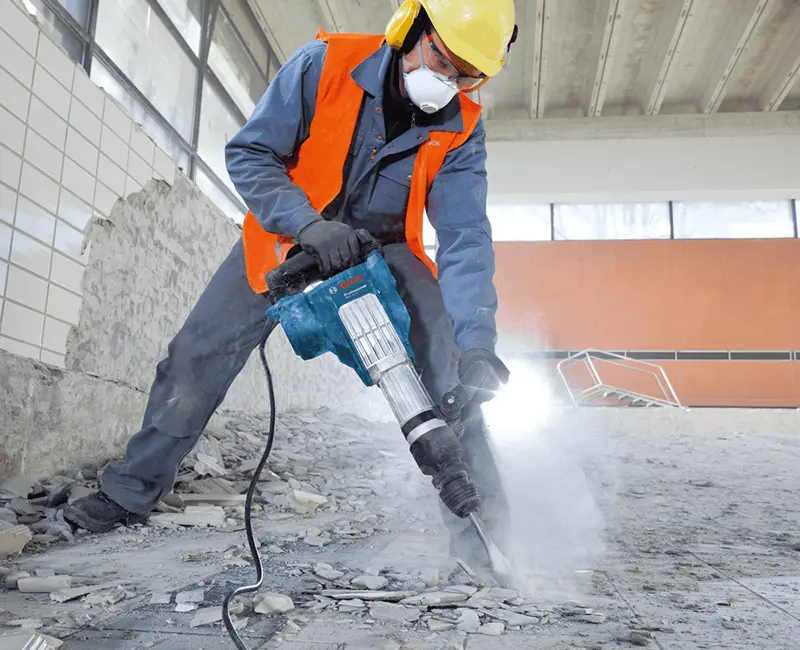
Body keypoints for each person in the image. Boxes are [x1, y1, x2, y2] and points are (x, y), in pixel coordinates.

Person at [65, 0, 517, 571]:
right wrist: (306, 224)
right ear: (410, 28)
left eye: (467, 75)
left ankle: (489, 540)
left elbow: (465, 238)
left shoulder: (462, 127)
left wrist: (477, 343)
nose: (448, 82)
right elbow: (250, 153)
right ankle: (130, 490)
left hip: (384, 246)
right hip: (290, 232)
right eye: (442, 60)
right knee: (197, 357)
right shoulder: (324, 64)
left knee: (455, 376)